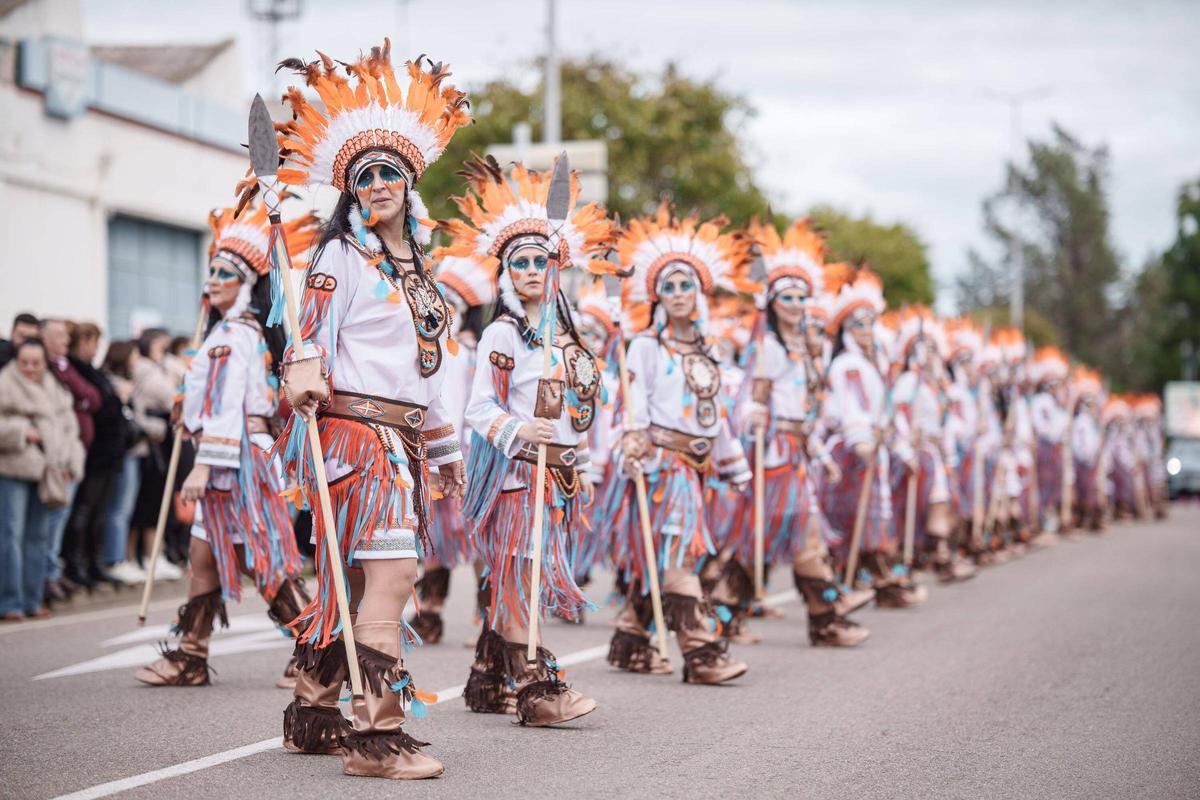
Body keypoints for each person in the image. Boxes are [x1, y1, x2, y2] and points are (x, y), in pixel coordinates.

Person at [272, 41, 469, 780]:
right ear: (349, 192)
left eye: (389, 172)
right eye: (364, 177)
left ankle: (314, 709)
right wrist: (302, 383)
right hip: (358, 437)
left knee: (358, 583)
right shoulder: (338, 262)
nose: (378, 184)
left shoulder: (421, 271)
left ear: (410, 184)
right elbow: (307, 346)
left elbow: (433, 372)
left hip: (404, 439)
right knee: (393, 578)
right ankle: (378, 737)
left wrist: (444, 453)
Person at [444, 155, 609, 724]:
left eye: (542, 261)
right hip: (516, 476)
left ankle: (489, 677)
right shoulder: (502, 333)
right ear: (506, 274)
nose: (533, 270)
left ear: (555, 268)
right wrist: (518, 430)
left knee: (524, 575)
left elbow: (577, 413)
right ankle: (538, 690)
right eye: (521, 263)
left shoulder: (567, 338)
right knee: (518, 574)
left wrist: (579, 463)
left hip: (556, 477)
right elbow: (477, 408)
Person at [133, 199, 316, 688]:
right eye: (210, 272)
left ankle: (315, 645)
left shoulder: (233, 336)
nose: (212, 281)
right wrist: (184, 410)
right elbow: (209, 400)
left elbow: (230, 403)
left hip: (238, 462)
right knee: (204, 557)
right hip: (229, 454)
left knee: (263, 559)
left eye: (224, 274)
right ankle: (192, 654)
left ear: (246, 285)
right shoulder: (227, 334)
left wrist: (202, 465)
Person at [604, 204, 754, 684]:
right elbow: (633, 402)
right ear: (657, 297)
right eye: (667, 287)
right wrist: (633, 439)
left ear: (700, 291)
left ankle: (630, 637)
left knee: (666, 553)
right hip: (665, 466)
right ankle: (701, 652)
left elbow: (719, 418)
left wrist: (736, 468)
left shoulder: (706, 353)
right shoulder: (647, 346)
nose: (677, 294)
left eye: (685, 284)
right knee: (678, 556)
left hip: (700, 468)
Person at [731, 220, 873, 647]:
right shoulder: (769, 347)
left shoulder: (803, 351)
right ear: (772, 303)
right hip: (772, 457)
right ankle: (728, 612)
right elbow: (753, 395)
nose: (794, 304)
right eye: (786, 297)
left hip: (796, 454)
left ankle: (823, 617)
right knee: (763, 538)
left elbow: (804, 413)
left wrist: (819, 453)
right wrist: (754, 417)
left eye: (800, 297)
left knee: (797, 535)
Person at [819, 268, 927, 608]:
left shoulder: (875, 366)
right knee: (850, 520)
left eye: (869, 323)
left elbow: (886, 415)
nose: (866, 331)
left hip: (873, 449)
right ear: (847, 330)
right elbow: (852, 409)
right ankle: (856, 582)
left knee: (871, 519)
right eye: (858, 324)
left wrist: (899, 447)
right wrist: (862, 443)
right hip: (852, 451)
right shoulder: (847, 365)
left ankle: (874, 580)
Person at [409, 254, 496, 644]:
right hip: (442, 450)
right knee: (436, 537)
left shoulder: (465, 352)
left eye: (450, 303)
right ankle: (431, 610)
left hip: (463, 455)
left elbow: (461, 409)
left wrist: (446, 456)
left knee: (473, 537)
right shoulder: (434, 346)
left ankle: (484, 616)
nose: (442, 308)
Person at [888, 308, 977, 582]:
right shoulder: (907, 383)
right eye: (922, 347)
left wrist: (948, 445)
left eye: (932, 348)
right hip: (917, 453)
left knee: (942, 503)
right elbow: (896, 418)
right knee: (917, 508)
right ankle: (914, 560)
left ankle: (940, 555)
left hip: (937, 454)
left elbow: (949, 422)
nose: (929, 353)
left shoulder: (940, 386)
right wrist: (906, 448)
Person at [0, 338, 85, 619]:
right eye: (24, 362)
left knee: (39, 537)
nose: (30, 368)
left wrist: (71, 460)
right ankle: (10, 602)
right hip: (13, 467)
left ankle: (33, 599)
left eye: (36, 363)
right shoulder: (5, 382)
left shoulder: (54, 387)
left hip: (49, 470)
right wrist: (20, 430)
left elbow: (69, 428)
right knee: (10, 536)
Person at [62, 322, 129, 589]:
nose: (95, 348)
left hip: (108, 453)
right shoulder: (76, 369)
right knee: (84, 511)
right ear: (81, 342)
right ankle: (77, 564)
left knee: (99, 511)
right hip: (94, 453)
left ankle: (95, 562)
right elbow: (96, 402)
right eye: (92, 342)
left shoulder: (92, 371)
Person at [41, 319, 100, 593]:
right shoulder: (47, 368)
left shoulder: (65, 366)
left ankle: (53, 571)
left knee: (61, 518)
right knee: (49, 521)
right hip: (54, 457)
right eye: (60, 335)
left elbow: (92, 396)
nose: (66, 340)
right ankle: (46, 575)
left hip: (73, 455)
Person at [130, 329, 186, 574]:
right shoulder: (144, 369)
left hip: (164, 439)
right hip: (149, 441)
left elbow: (185, 377)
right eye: (159, 346)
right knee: (146, 502)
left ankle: (156, 553)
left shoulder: (163, 366)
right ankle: (137, 556)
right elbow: (169, 396)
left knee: (159, 499)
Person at [99, 341, 153, 585]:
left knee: (126, 508)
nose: (137, 360)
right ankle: (115, 558)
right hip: (122, 452)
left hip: (132, 450)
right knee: (119, 509)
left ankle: (122, 557)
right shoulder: (111, 382)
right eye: (133, 355)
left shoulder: (128, 380)